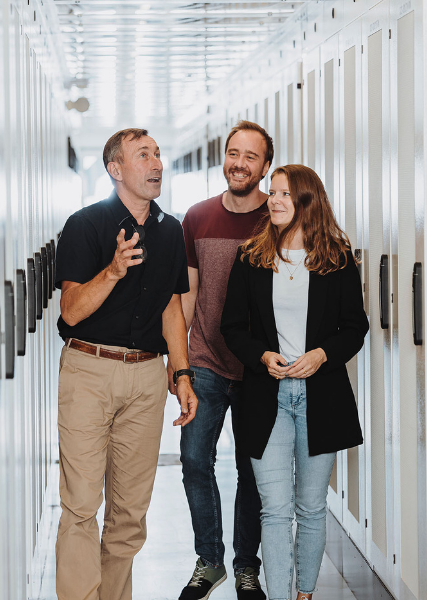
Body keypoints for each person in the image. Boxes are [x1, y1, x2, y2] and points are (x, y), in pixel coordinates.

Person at [53, 128, 198, 600]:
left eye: (158, 153)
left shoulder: (170, 230)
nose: (157, 163)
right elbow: (71, 310)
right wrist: (114, 271)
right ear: (115, 170)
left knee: (129, 515)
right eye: (143, 155)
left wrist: (181, 374)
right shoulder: (85, 225)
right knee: (80, 505)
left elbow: (171, 308)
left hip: (145, 377)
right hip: (89, 371)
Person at [220, 165, 368, 600]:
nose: (274, 200)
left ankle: (305, 594)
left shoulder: (336, 258)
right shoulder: (252, 256)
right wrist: (261, 355)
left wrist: (322, 355)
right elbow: (233, 327)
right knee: (275, 509)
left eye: (284, 194)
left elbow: (353, 327)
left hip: (321, 397)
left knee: (311, 506)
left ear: (308, 201)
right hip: (267, 397)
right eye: (273, 193)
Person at [173, 121, 271, 600]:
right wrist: (181, 367)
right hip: (207, 361)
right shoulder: (197, 217)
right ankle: (210, 562)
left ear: (265, 166)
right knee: (194, 460)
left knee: (252, 470)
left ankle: (246, 566)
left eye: (250, 156)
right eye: (234, 153)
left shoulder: (276, 220)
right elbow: (187, 297)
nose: (239, 163)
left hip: (259, 368)